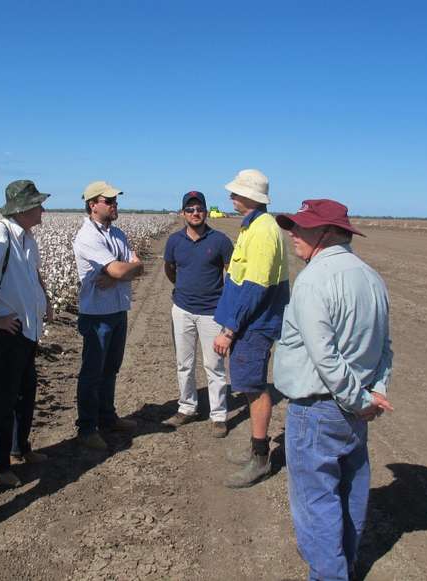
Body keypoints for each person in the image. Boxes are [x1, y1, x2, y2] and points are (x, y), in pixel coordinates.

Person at [273, 199, 394, 580]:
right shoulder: (371, 277)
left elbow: (325, 359)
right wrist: (373, 393)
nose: (292, 233)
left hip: (317, 410)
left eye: (301, 227)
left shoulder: (313, 281)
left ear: (326, 233)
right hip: (355, 411)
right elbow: (384, 347)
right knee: (351, 494)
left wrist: (360, 400)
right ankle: (348, 566)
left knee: (317, 505)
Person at [0, 180, 53, 487]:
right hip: (9, 331)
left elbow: (33, 273)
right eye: (38, 204)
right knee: (4, 398)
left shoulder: (27, 237)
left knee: (26, 389)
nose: (43, 209)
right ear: (23, 208)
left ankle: (21, 447)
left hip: (29, 329)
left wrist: (45, 301)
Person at [212, 169, 290, 488]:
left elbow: (255, 286)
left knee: (254, 387)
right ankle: (256, 449)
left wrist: (229, 330)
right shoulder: (254, 226)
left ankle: (260, 459)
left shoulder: (263, 231)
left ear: (253, 197)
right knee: (248, 384)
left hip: (254, 325)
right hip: (250, 322)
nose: (231, 197)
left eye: (237, 192)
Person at [72, 180, 143, 450]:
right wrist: (121, 273)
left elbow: (136, 267)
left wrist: (120, 275)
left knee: (111, 368)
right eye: (109, 200)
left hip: (117, 310)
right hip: (97, 315)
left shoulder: (118, 234)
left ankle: (107, 417)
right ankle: (87, 427)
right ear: (93, 205)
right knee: (92, 372)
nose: (115, 205)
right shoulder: (88, 236)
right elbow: (121, 270)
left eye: (115, 200)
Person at [163, 191, 233, 437]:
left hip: (212, 313)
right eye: (190, 209)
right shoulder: (174, 241)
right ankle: (187, 407)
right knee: (184, 363)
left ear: (205, 211)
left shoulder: (221, 241)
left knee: (214, 365)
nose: (195, 213)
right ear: (183, 213)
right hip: (182, 309)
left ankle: (218, 415)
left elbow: (232, 275)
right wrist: (183, 290)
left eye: (199, 209)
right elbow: (170, 270)